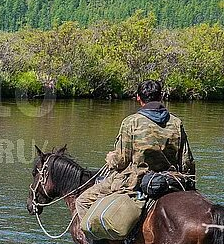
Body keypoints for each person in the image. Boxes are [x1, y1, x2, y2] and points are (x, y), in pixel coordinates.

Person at [75, 79, 195, 227]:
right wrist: (189, 185)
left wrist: (111, 158)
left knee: (82, 201)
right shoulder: (176, 122)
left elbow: (121, 161)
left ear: (138, 98)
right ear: (161, 96)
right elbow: (186, 161)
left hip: (136, 181)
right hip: (170, 180)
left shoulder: (131, 122)